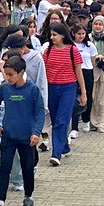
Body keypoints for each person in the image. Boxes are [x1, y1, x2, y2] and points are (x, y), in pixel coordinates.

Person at [0, 54, 46, 206]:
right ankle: (0, 202)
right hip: (8, 136)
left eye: (11, 75)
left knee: (27, 168)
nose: (7, 78)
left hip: (27, 138)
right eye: (6, 74)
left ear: (21, 72)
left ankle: (28, 197)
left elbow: (40, 112)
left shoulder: (32, 89)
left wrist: (36, 132)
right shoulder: (4, 88)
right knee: (4, 168)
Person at [39, 25, 83, 167]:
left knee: (61, 121)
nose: (52, 38)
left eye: (55, 35)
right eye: (51, 35)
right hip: (51, 88)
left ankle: (56, 153)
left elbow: (78, 71)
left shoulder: (73, 50)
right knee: (54, 118)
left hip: (68, 88)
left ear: (62, 36)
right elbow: (43, 69)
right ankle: (64, 146)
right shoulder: (48, 50)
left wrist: (83, 92)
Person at [86, 16, 104, 131]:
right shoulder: (88, 38)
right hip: (92, 71)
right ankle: (92, 122)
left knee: (103, 100)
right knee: (92, 98)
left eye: (100, 24)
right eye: (96, 24)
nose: (98, 26)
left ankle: (101, 123)